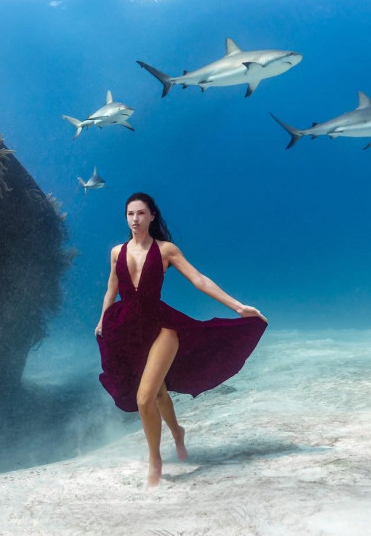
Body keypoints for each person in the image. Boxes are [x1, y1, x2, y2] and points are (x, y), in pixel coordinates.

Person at [94, 192, 267, 487]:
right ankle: (177, 433)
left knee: (144, 397)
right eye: (130, 214)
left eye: (140, 213)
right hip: (127, 329)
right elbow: (112, 289)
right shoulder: (116, 252)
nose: (135, 219)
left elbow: (199, 280)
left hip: (162, 327)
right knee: (159, 393)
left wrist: (238, 307)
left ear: (152, 216)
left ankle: (155, 462)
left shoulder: (166, 250)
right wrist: (102, 318)